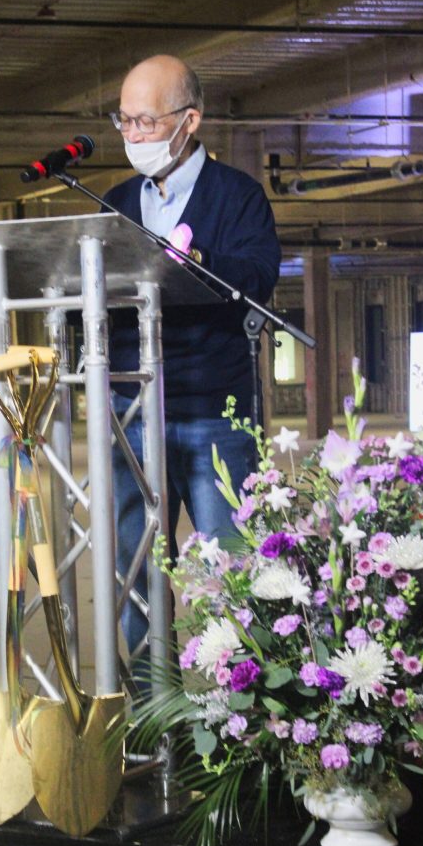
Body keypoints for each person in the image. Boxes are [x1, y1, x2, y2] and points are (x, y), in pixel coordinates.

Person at [105, 54, 281, 659]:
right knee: (136, 568)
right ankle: (152, 715)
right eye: (123, 121)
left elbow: (258, 275)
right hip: (131, 411)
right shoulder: (116, 201)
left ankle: (234, 714)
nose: (133, 136)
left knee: (227, 570)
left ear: (190, 121)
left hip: (213, 411)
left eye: (146, 122)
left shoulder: (237, 197)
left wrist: (199, 265)